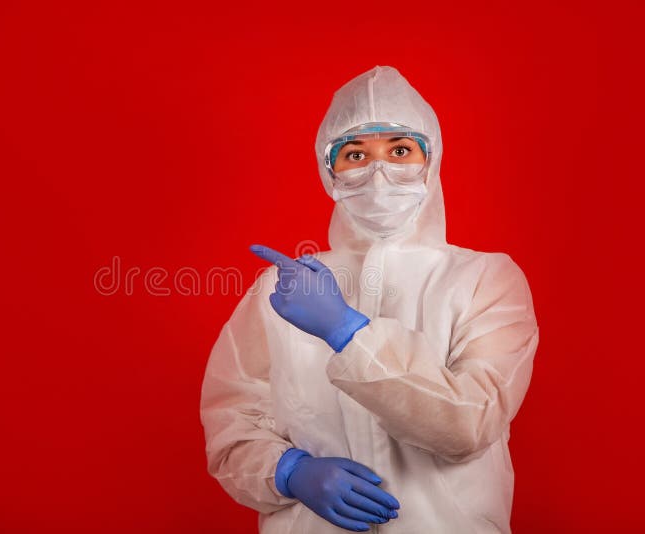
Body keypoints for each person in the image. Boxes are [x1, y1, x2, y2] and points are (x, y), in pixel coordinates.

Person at [200, 65, 539, 533]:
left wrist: (347, 333)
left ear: (431, 160)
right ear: (329, 172)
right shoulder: (281, 291)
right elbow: (230, 423)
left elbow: (470, 425)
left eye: (400, 150)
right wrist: (289, 472)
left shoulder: (485, 278)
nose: (378, 171)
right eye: (355, 154)